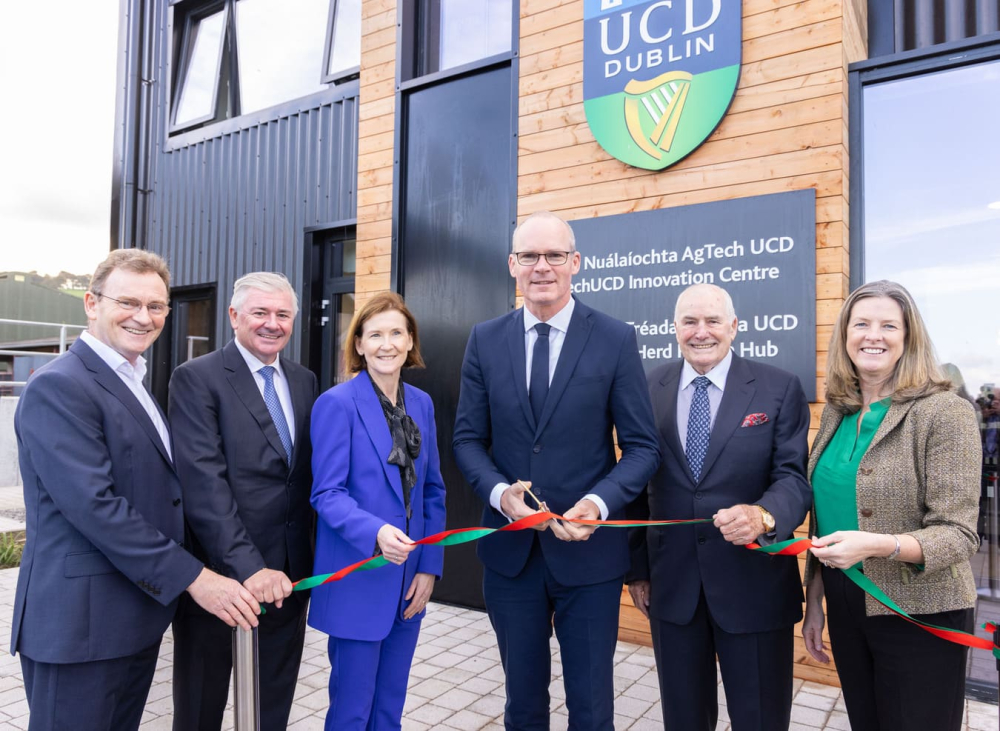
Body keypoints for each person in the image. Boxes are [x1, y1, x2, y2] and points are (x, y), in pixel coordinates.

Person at [10, 249, 260, 731]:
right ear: (90, 303)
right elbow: (98, 508)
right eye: (128, 302)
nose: (143, 317)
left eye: (156, 307)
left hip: (129, 619)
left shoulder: (131, 380)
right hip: (80, 629)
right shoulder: (61, 386)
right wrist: (198, 578)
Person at [453, 211, 660, 730]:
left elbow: (640, 447)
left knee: (591, 705)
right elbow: (467, 440)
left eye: (554, 256)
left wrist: (597, 504)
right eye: (529, 256)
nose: (541, 267)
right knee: (522, 704)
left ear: (576, 263)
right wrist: (502, 495)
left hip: (587, 554)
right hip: (511, 553)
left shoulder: (614, 338)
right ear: (511, 265)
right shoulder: (484, 339)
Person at [627, 283, 811, 731]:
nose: (700, 332)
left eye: (712, 321)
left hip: (754, 587)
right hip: (673, 588)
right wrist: (637, 569)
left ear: (734, 326)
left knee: (761, 719)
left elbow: (793, 479)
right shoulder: (647, 387)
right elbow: (634, 484)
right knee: (684, 720)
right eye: (689, 321)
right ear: (674, 329)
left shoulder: (778, 387)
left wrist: (763, 515)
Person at [802, 280, 980, 731]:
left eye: (888, 325)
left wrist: (879, 545)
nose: (872, 335)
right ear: (845, 335)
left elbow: (958, 535)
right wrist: (816, 602)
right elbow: (825, 519)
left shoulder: (943, 412)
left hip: (919, 609)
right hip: (847, 601)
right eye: (861, 324)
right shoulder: (837, 413)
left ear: (908, 338)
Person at [168, 272, 319, 731]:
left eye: (283, 314)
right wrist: (249, 567)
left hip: (289, 579)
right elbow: (204, 485)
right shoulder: (196, 378)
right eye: (260, 313)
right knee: (201, 706)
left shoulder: (304, 380)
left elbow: (304, 478)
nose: (272, 324)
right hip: (219, 578)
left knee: (272, 702)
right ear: (234, 317)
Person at [308, 292, 446, 730]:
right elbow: (327, 493)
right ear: (360, 345)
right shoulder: (337, 404)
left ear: (410, 342)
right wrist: (376, 533)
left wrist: (429, 568)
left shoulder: (421, 404)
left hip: (408, 583)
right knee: (352, 712)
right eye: (375, 335)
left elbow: (432, 491)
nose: (386, 344)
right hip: (359, 576)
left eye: (396, 333)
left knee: (389, 710)